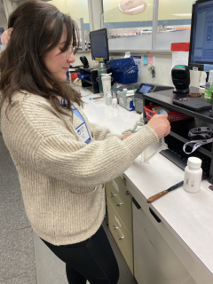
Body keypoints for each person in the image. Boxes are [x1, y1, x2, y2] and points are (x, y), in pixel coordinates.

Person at [0, 1, 171, 284]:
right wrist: (148, 134)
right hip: (66, 225)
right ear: (33, 50)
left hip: (79, 211)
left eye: (72, 48)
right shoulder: (26, 112)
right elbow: (89, 166)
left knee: (80, 271)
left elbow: (82, 131)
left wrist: (122, 138)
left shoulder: (44, 87)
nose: (71, 57)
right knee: (108, 275)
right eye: (63, 49)